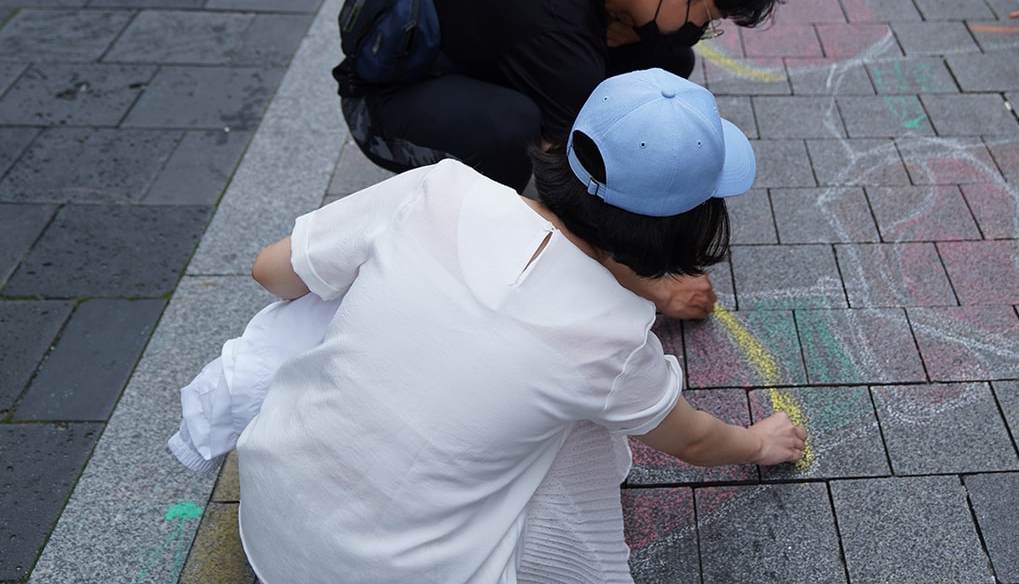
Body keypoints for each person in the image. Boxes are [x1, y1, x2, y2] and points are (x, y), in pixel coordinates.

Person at [234, 70, 809, 583]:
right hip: (391, 570)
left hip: (269, 509)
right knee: (587, 427)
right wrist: (759, 443)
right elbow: (692, 439)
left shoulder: (442, 188)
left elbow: (271, 271)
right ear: (683, 227)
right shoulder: (612, 338)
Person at [335, 0, 779, 316]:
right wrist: (653, 285)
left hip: (481, 56)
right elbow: (569, 189)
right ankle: (475, 242)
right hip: (391, 100)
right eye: (710, 19)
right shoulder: (554, 21)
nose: (703, 32)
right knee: (512, 132)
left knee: (667, 54)